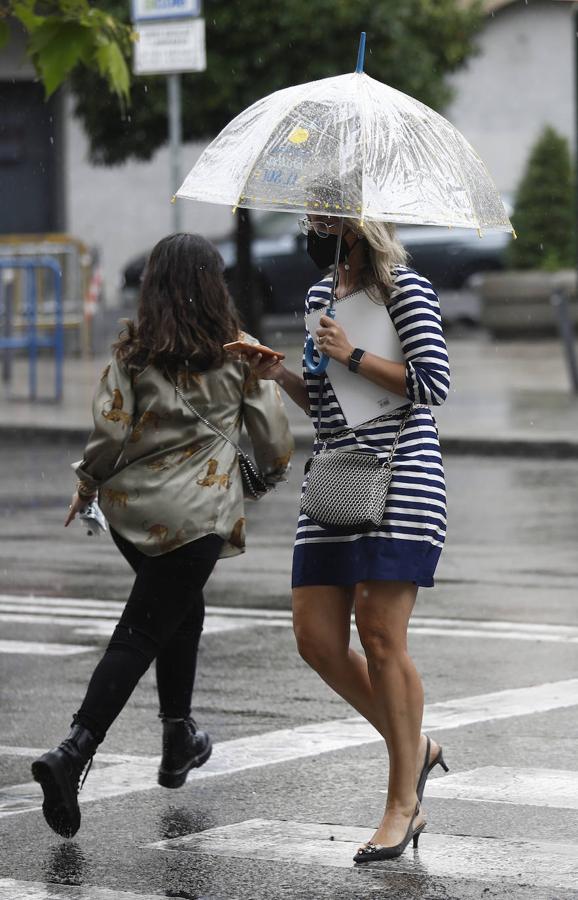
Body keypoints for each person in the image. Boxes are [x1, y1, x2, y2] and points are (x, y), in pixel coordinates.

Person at [31, 233, 293, 838]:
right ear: (213, 283)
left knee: (180, 608)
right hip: (198, 516)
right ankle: (74, 751)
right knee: (145, 627)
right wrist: (265, 478)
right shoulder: (239, 354)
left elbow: (108, 433)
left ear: (152, 286)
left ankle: (179, 736)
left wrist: (88, 484)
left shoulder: (131, 351)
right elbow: (274, 441)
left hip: (133, 512)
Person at [251, 214, 451, 862]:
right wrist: (278, 373)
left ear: (357, 225)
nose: (313, 225)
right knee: (315, 638)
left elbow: (432, 385)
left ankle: (402, 803)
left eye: (324, 216)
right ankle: (415, 747)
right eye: (310, 215)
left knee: (380, 633)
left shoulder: (407, 291)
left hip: (401, 471)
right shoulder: (318, 297)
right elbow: (326, 401)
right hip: (336, 474)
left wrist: (355, 353)